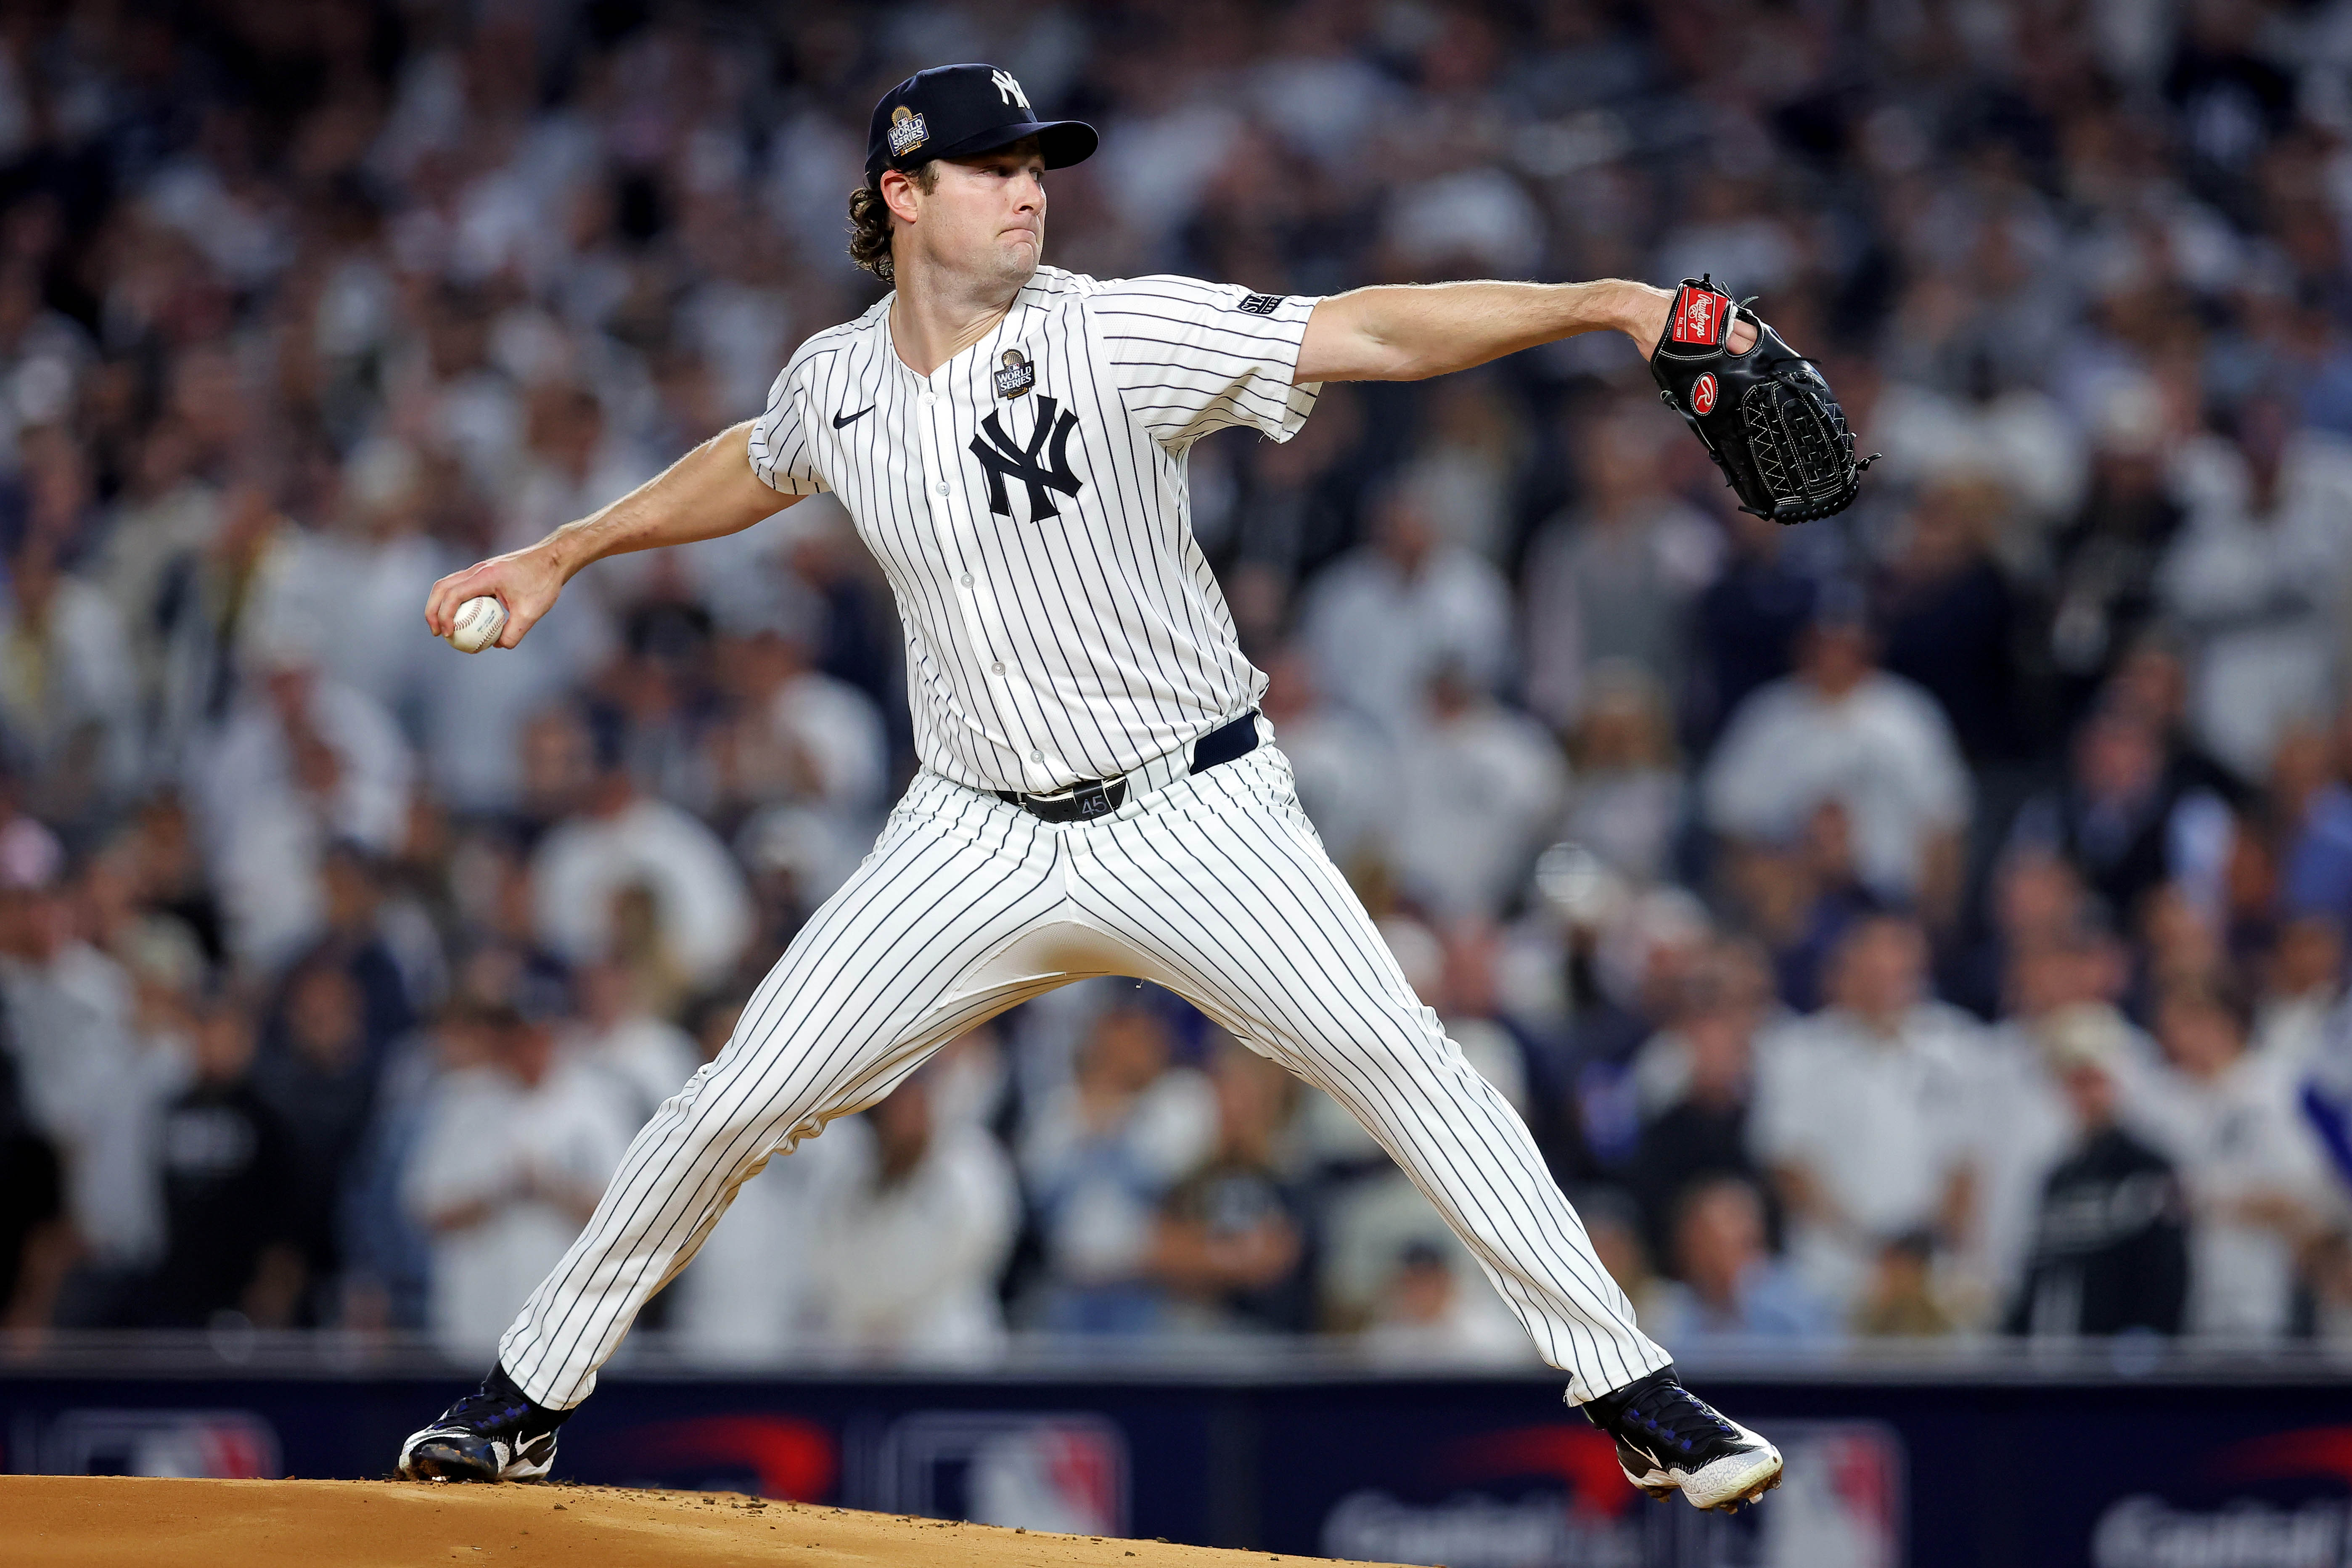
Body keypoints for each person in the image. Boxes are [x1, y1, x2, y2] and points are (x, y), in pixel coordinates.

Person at [397, 63, 1781, 1512]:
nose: (1027, 190)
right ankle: (525, 1397)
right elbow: (756, 460)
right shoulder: (837, 378)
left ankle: (1629, 1388)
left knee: (1415, 1069)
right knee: (731, 1100)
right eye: (991, 168)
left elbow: (1361, 328)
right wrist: (564, 549)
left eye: (1037, 167)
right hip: (971, 831)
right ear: (902, 196)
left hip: (1197, 811)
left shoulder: (1117, 328)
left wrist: (1611, 302)